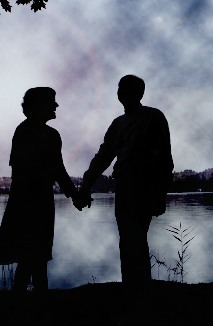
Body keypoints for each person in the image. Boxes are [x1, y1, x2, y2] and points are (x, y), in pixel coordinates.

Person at [76, 74, 173, 285]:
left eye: (126, 89)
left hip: (145, 185)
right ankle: (133, 284)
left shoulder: (154, 117)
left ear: (139, 93)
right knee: (129, 238)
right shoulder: (118, 124)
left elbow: (165, 157)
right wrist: (87, 184)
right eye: (120, 88)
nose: (121, 93)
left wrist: (160, 192)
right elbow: (104, 155)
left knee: (135, 237)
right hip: (125, 185)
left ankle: (138, 285)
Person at [0, 87, 82, 293]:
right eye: (52, 101)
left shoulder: (30, 131)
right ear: (39, 106)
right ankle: (37, 301)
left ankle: (27, 300)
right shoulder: (39, 133)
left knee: (32, 255)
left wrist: (74, 194)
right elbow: (57, 170)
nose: (56, 105)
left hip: (29, 199)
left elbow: (56, 170)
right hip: (32, 200)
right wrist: (75, 195)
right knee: (35, 254)